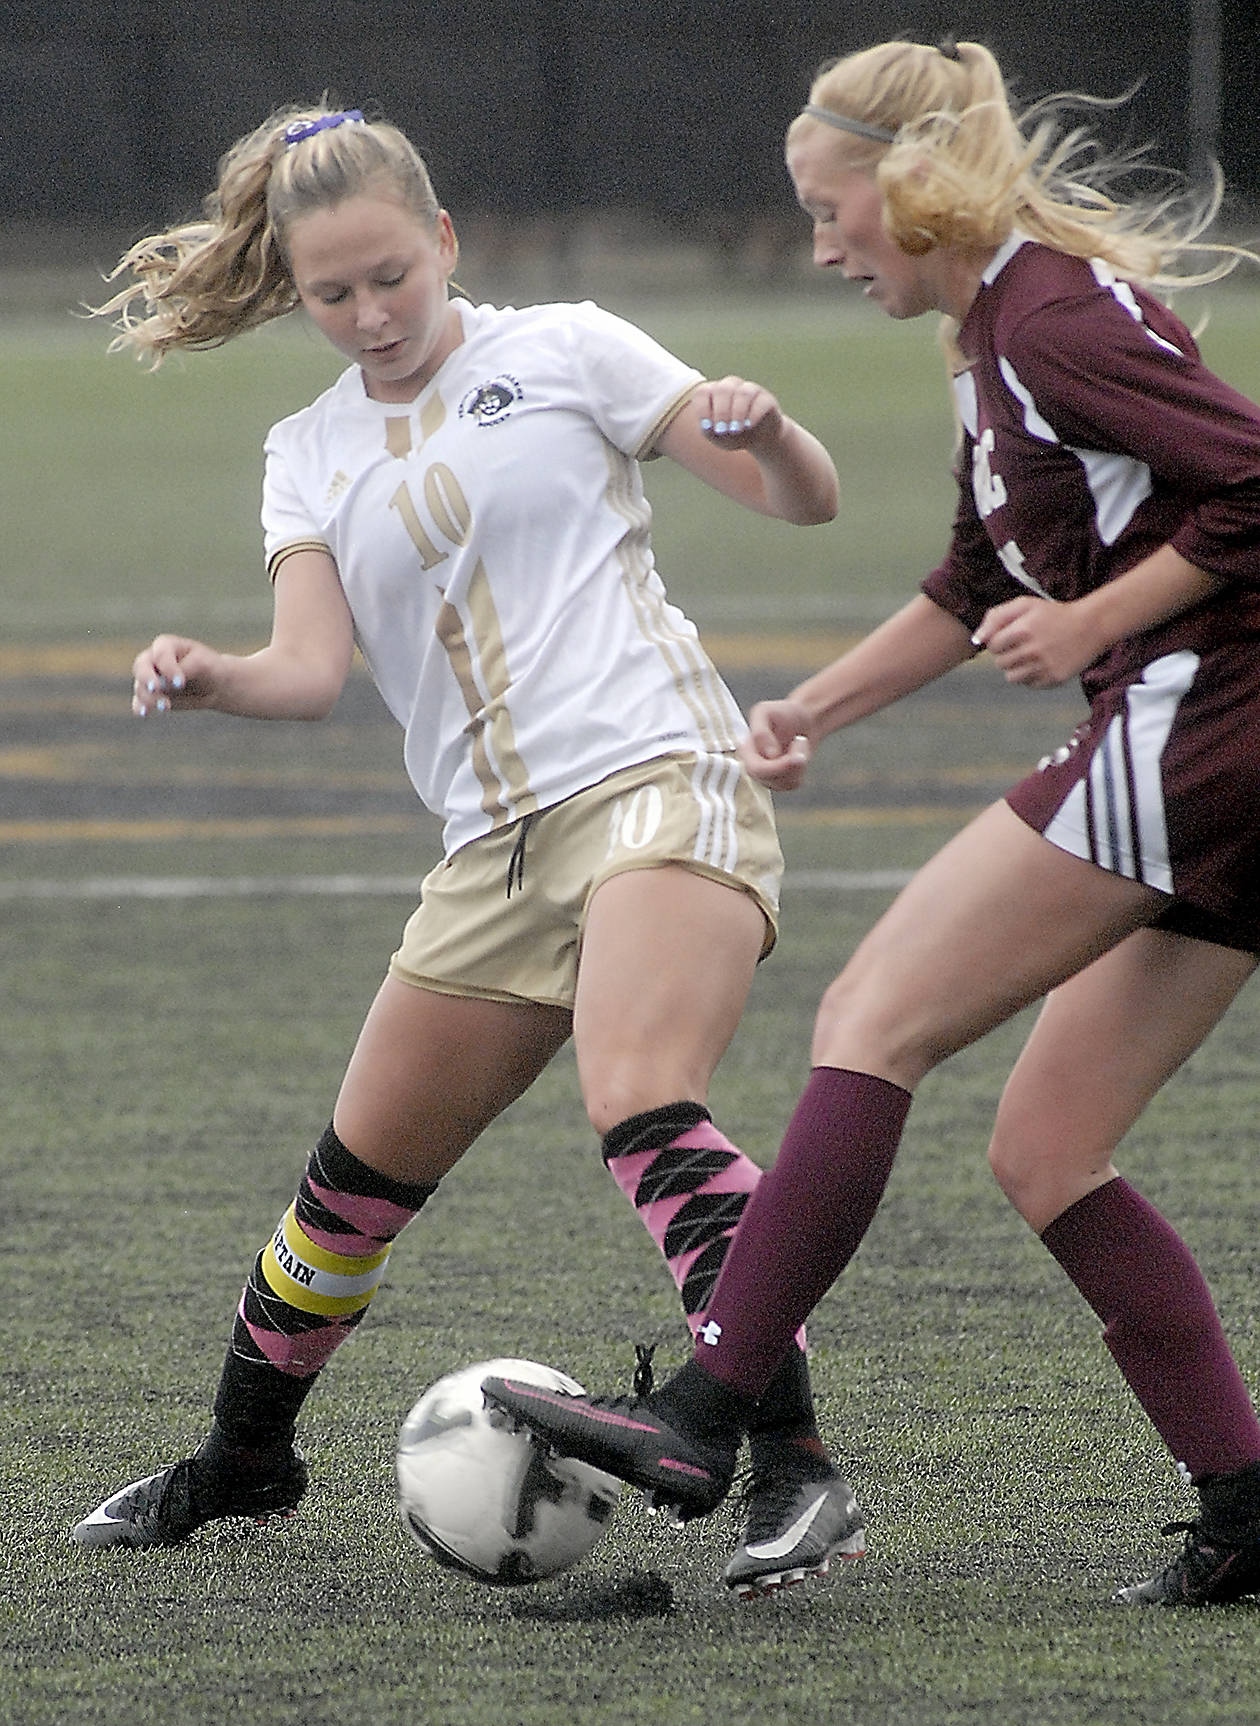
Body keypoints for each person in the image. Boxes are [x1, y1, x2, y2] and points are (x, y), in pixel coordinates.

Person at [483, 38, 1260, 1609]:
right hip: (1208, 738)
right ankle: (1246, 1505)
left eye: (829, 208)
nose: (822, 243)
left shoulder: (1042, 315)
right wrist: (806, 712)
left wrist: (1104, 611)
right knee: (1049, 1150)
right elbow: (974, 585)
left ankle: (708, 1411)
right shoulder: (995, 332)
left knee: (872, 1015)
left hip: (1208, 720)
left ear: (909, 189)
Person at [68, 101, 867, 1598]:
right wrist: (210, 671)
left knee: (639, 1098)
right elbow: (308, 668)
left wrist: (782, 437)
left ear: (445, 242)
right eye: (331, 294)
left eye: (392, 277)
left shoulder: (568, 345)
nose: (370, 315)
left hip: (657, 782)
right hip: (491, 852)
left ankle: (796, 1469)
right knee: (348, 1189)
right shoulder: (303, 450)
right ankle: (246, 1460)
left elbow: (801, 499)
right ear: (296, 291)